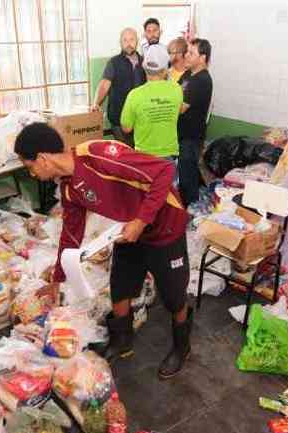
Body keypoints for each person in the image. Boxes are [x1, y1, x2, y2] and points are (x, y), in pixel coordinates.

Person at [14, 123, 193, 380]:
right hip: (127, 233)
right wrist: (57, 279)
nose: (31, 174)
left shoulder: (97, 154)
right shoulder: (68, 187)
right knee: (120, 287)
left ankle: (181, 346)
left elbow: (165, 170)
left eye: (29, 167)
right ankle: (122, 340)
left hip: (164, 228)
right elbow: (71, 234)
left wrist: (141, 221)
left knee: (174, 295)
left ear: (42, 159)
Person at [120, 44, 183, 160]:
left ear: (144, 68)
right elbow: (177, 112)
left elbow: (126, 128)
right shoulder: (177, 89)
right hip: (170, 154)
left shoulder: (135, 95)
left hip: (144, 156)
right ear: (165, 70)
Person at [92, 28, 146, 147]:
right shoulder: (114, 62)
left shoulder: (145, 61)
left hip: (141, 118)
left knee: (139, 153)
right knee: (125, 153)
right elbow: (105, 83)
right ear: (120, 43)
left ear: (137, 41)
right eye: (125, 40)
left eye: (131, 39)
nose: (128, 43)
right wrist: (96, 103)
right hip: (119, 118)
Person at [178, 38, 214, 207]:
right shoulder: (188, 74)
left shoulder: (202, 80)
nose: (187, 55)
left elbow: (181, 108)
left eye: (191, 53)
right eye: (187, 52)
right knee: (184, 172)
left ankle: (191, 210)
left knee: (188, 176)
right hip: (182, 133)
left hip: (191, 136)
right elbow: (174, 92)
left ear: (203, 58)